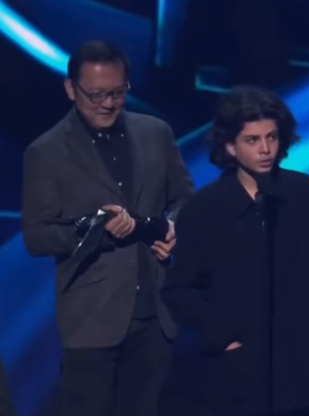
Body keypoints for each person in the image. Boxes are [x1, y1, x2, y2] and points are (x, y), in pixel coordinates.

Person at [161, 85, 309, 415]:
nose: (265, 149)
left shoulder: (307, 194)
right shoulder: (204, 210)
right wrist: (225, 339)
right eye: (252, 140)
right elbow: (179, 291)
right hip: (238, 375)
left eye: (271, 137)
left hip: (303, 369)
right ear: (230, 145)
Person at [21, 40, 194, 415]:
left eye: (117, 92)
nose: (108, 104)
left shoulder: (156, 133)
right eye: (96, 94)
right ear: (71, 89)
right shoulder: (46, 152)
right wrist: (96, 227)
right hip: (91, 321)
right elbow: (37, 237)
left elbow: (185, 200)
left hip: (156, 315)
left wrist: (174, 228)